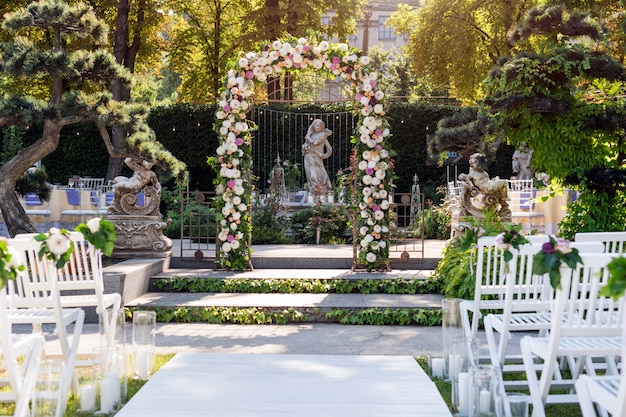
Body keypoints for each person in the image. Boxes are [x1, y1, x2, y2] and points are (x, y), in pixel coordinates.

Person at [302, 119, 333, 196]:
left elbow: (315, 142)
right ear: (313, 126)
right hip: (308, 157)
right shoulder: (312, 134)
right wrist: (305, 147)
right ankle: (313, 190)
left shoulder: (322, 134)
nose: (318, 127)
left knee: (314, 174)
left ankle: (320, 190)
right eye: (316, 125)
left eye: (320, 125)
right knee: (309, 174)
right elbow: (306, 144)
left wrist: (308, 136)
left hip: (316, 158)